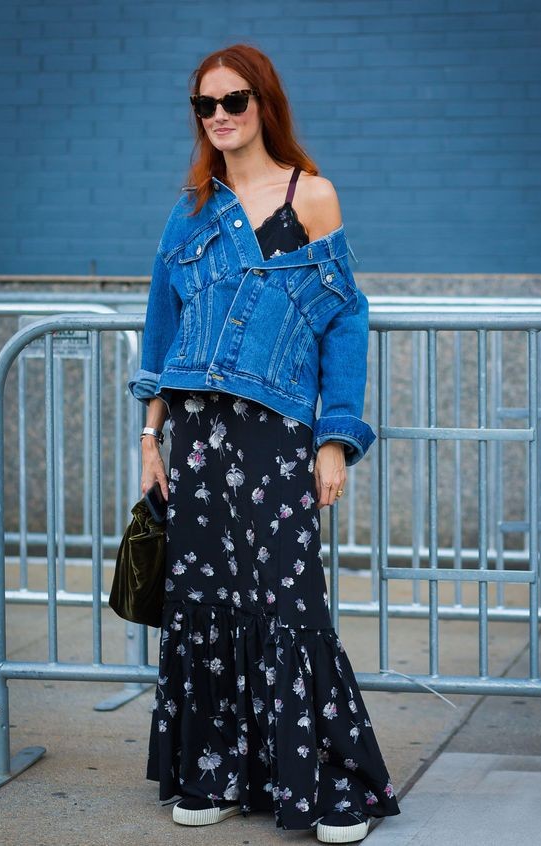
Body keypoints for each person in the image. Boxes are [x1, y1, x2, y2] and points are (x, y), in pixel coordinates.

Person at [128, 43, 400, 844]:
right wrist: (151, 437)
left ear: (264, 103)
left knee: (288, 598)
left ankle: (323, 783)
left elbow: (345, 321)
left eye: (234, 100)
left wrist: (333, 440)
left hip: (276, 430)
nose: (219, 117)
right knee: (204, 599)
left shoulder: (309, 196)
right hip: (197, 435)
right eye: (205, 105)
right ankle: (212, 774)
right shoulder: (191, 208)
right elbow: (160, 326)